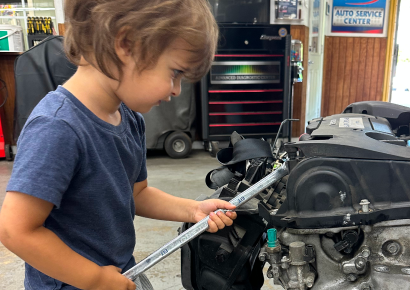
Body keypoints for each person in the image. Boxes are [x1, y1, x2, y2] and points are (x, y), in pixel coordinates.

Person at [0, 1, 235, 289]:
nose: (176, 90)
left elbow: (137, 194)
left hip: (121, 272)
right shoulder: (58, 128)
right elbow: (16, 230)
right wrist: (94, 278)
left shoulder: (129, 119)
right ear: (126, 44)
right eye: (175, 73)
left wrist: (192, 210)